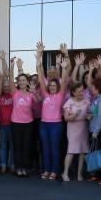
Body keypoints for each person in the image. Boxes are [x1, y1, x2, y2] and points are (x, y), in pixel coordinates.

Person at [35, 42, 70, 180]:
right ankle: (47, 170)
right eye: (51, 85)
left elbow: (66, 74)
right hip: (44, 124)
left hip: (56, 125)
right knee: (45, 147)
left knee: (55, 148)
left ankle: (54, 171)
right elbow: (39, 71)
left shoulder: (60, 94)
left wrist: (65, 56)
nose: (53, 86)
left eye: (55, 85)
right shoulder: (45, 93)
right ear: (48, 86)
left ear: (58, 86)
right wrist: (39, 54)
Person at [8, 57, 35, 177]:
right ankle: (18, 168)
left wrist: (34, 92)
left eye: (24, 80)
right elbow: (10, 80)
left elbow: (39, 100)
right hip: (16, 123)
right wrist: (13, 66)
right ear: (18, 82)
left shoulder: (30, 94)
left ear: (27, 82)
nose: (22, 82)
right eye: (20, 80)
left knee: (26, 147)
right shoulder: (15, 92)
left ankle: (24, 168)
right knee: (17, 147)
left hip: (28, 123)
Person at [63, 80, 89, 181]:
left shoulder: (86, 100)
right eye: (78, 91)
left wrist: (89, 116)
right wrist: (74, 115)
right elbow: (66, 118)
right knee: (71, 150)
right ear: (73, 92)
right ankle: (65, 173)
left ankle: (79, 173)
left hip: (83, 127)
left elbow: (90, 112)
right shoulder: (69, 102)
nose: (81, 93)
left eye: (82, 90)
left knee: (82, 150)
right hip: (72, 128)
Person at [0, 52, 14, 174]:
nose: (6, 88)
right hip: (2, 125)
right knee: (3, 146)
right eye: (5, 86)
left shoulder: (14, 94)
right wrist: (3, 60)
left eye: (8, 86)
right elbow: (3, 76)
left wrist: (5, 61)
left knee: (12, 147)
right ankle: (3, 165)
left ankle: (12, 164)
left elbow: (8, 77)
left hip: (13, 124)